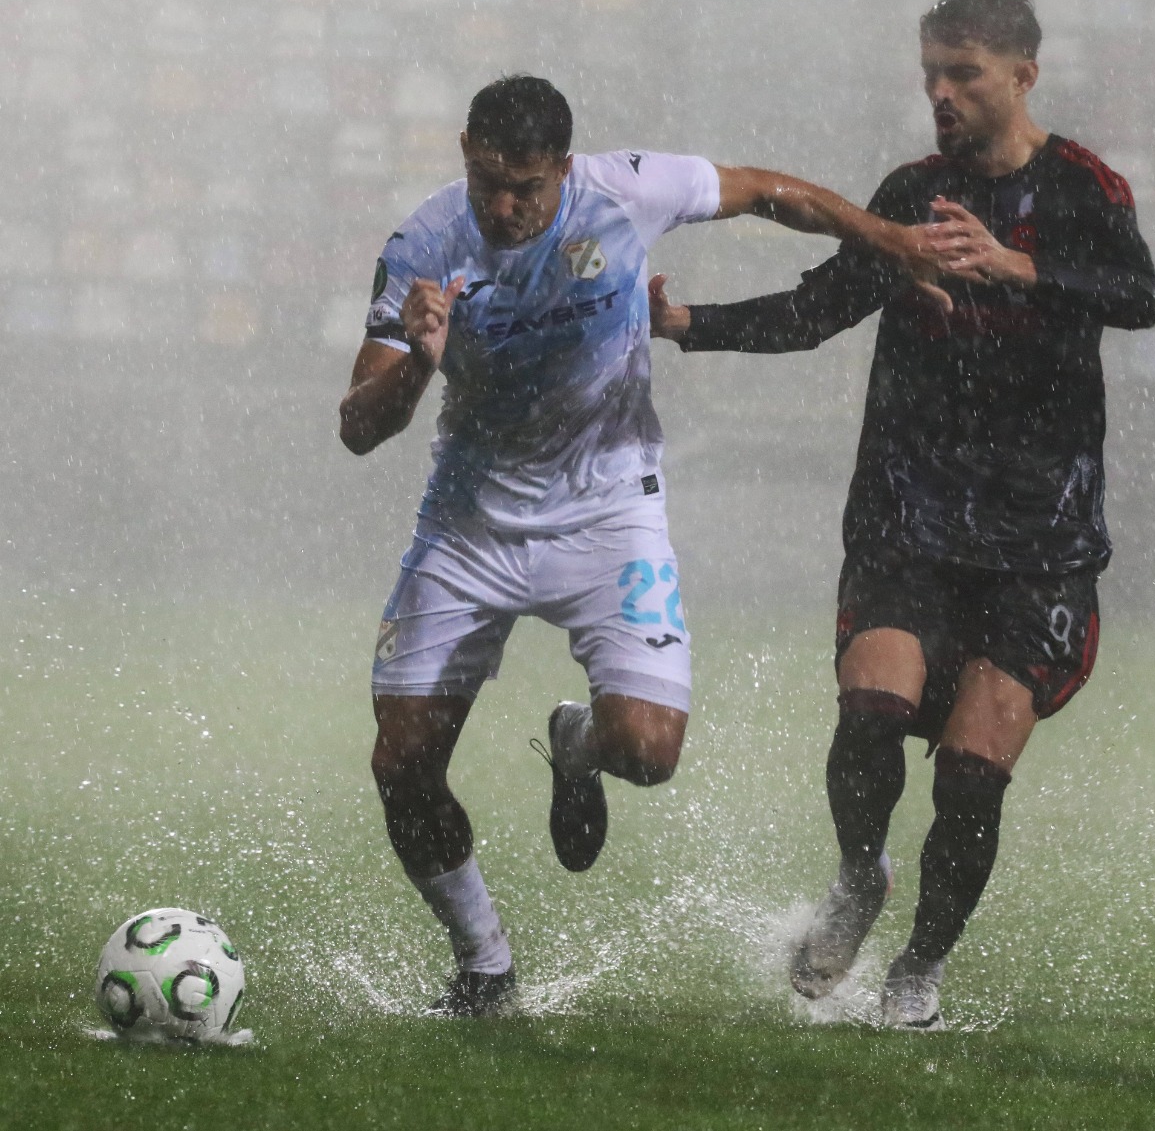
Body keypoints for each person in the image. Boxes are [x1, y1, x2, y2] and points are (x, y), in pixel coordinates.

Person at [338, 74, 942, 1016]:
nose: (505, 207)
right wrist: (418, 362)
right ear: (464, 150)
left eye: (526, 188)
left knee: (651, 750)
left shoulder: (624, 190)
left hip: (609, 513)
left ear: (563, 171)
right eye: (489, 181)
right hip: (470, 525)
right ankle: (485, 963)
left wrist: (893, 239)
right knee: (401, 766)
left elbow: (769, 190)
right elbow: (358, 426)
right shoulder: (424, 246)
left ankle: (577, 744)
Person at [650, 0, 1155, 1030]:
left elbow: (1137, 296)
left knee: (973, 775)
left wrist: (1016, 266)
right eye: (930, 72)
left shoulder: (1082, 190)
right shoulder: (912, 193)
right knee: (871, 709)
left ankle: (918, 970)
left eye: (963, 74)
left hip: (1040, 535)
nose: (940, 92)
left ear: (1022, 75)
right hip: (909, 511)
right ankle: (856, 877)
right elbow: (818, 310)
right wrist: (687, 323)